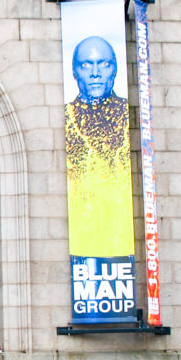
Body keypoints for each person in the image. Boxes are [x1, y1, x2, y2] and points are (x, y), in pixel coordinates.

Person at [64, 35, 134, 258]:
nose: (95, 73)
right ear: (75, 72)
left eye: (104, 64)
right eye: (86, 65)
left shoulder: (126, 113)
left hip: (119, 233)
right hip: (84, 233)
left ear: (114, 69)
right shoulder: (67, 117)